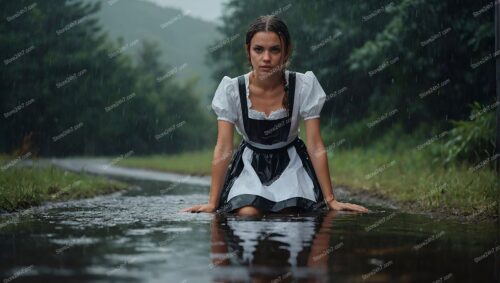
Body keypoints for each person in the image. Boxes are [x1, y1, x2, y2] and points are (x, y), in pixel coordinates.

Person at [182, 15, 369, 216]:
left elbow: (315, 144)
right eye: (258, 49)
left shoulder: (303, 86)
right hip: (250, 164)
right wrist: (212, 203)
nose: (266, 58)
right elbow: (224, 147)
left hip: (292, 162)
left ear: (286, 52)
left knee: (290, 212)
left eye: (275, 50)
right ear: (248, 51)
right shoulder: (232, 90)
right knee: (248, 213)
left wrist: (331, 199)